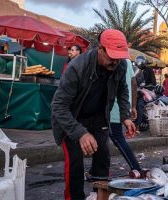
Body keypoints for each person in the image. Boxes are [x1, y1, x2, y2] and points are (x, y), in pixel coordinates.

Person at [51, 29, 136, 200]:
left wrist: (125, 116)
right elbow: (58, 106)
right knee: (75, 163)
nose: (115, 61)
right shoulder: (77, 67)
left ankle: (100, 195)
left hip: (98, 116)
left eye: (118, 57)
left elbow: (122, 89)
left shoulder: (120, 65)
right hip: (72, 118)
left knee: (103, 155)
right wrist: (81, 133)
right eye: (111, 55)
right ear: (100, 49)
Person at [108, 59, 142, 175]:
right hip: (123, 106)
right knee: (105, 139)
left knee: (117, 138)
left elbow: (132, 83)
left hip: (114, 108)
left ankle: (136, 167)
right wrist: (133, 106)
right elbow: (133, 83)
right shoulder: (127, 62)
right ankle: (98, 170)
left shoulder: (114, 61)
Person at [134, 55, 156, 133]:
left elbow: (153, 83)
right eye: (137, 62)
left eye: (139, 62)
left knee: (139, 105)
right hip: (135, 91)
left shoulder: (149, 70)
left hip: (144, 93)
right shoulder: (135, 70)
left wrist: (145, 86)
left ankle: (137, 127)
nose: (138, 63)